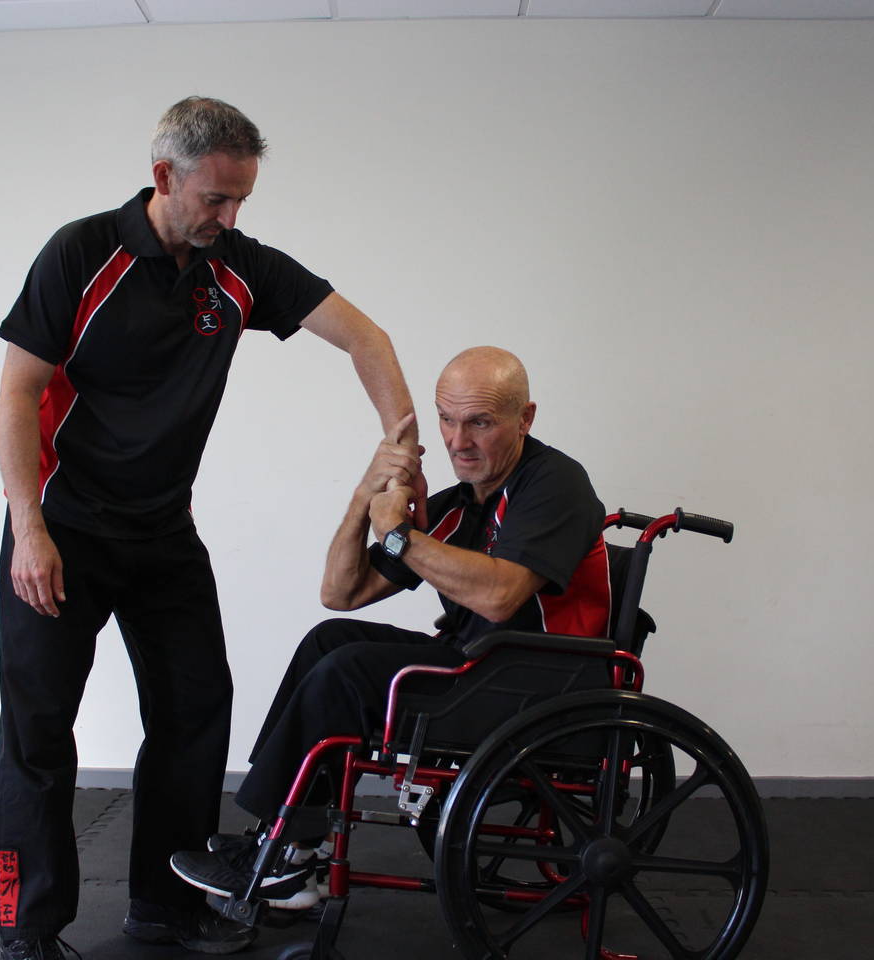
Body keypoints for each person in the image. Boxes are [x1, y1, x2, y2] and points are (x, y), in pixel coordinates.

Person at [0, 96, 422, 960]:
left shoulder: (239, 269)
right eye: (216, 200)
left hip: (162, 534)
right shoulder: (83, 253)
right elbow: (17, 393)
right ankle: (26, 930)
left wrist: (402, 458)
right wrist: (27, 528)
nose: (229, 219)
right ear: (165, 178)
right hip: (64, 527)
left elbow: (367, 338)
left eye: (242, 202)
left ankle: (165, 905)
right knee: (39, 733)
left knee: (196, 711)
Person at [170, 346, 612, 911]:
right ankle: (291, 846)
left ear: (525, 419)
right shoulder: (462, 505)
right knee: (330, 642)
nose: (458, 441)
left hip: (542, 685)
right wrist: (366, 497)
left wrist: (401, 537)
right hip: (482, 666)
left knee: (349, 673)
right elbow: (341, 593)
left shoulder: (555, 483)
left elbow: (501, 596)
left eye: (480, 422)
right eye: (447, 419)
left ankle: (283, 850)